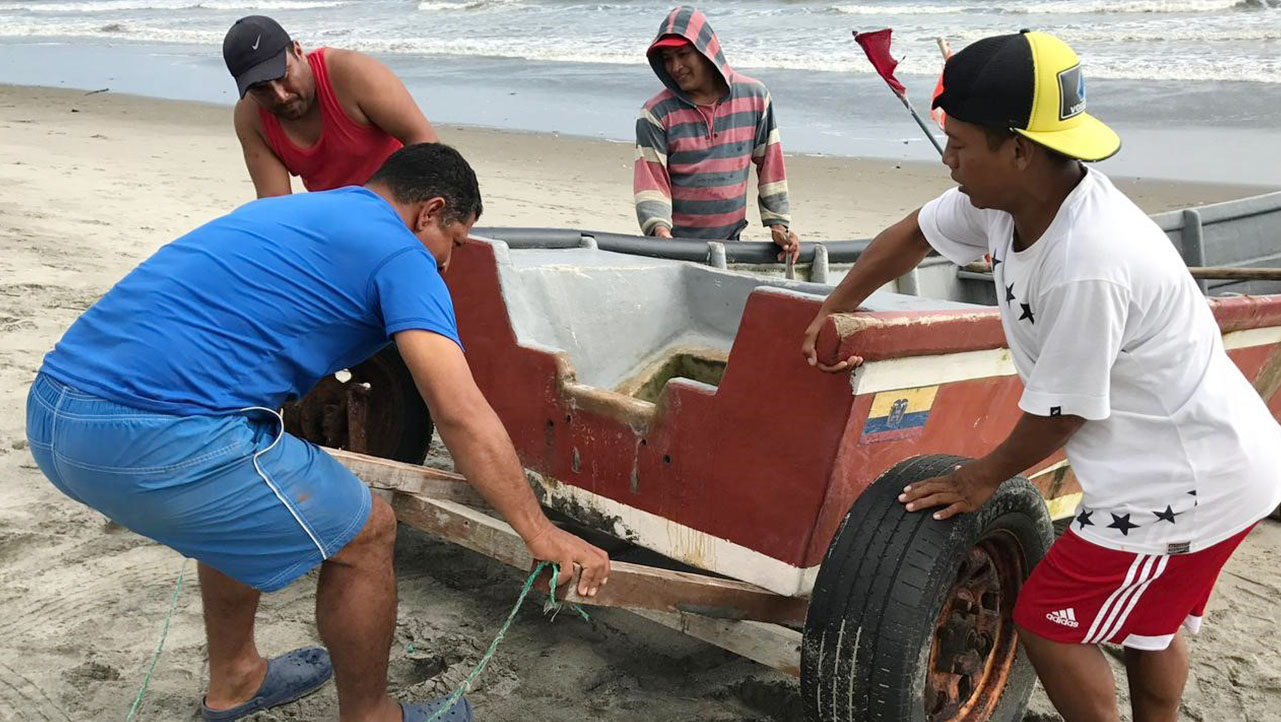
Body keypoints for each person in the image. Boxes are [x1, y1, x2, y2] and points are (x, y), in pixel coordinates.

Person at [25, 143, 610, 722]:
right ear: (429, 212)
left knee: (245, 482)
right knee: (366, 532)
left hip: (53, 414)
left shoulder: (285, 211)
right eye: (453, 244)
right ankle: (372, 715)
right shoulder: (401, 253)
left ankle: (235, 678)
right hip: (152, 439)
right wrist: (540, 533)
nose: (448, 264)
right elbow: (458, 412)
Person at [801, 31, 1281, 722]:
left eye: (960, 144)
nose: (947, 160)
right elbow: (911, 233)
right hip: (1195, 457)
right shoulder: (1007, 201)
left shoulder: (1088, 260)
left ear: (1018, 149)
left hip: (1187, 480)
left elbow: (1063, 412)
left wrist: (979, 476)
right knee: (1149, 621)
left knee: (1049, 622)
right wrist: (834, 308)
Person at [633, 5, 800, 262]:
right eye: (667, 58)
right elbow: (652, 183)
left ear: (706, 51)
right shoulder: (656, 113)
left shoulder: (755, 98)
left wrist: (779, 226)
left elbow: (770, 165)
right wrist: (661, 233)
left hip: (731, 244)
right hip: (674, 250)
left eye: (683, 54)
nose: (676, 67)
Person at [223, 15, 439, 198]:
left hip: (404, 199)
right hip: (336, 219)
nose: (280, 95)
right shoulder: (250, 118)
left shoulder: (352, 73)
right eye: (261, 89)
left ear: (298, 51)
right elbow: (276, 206)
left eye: (283, 75)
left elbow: (426, 145)